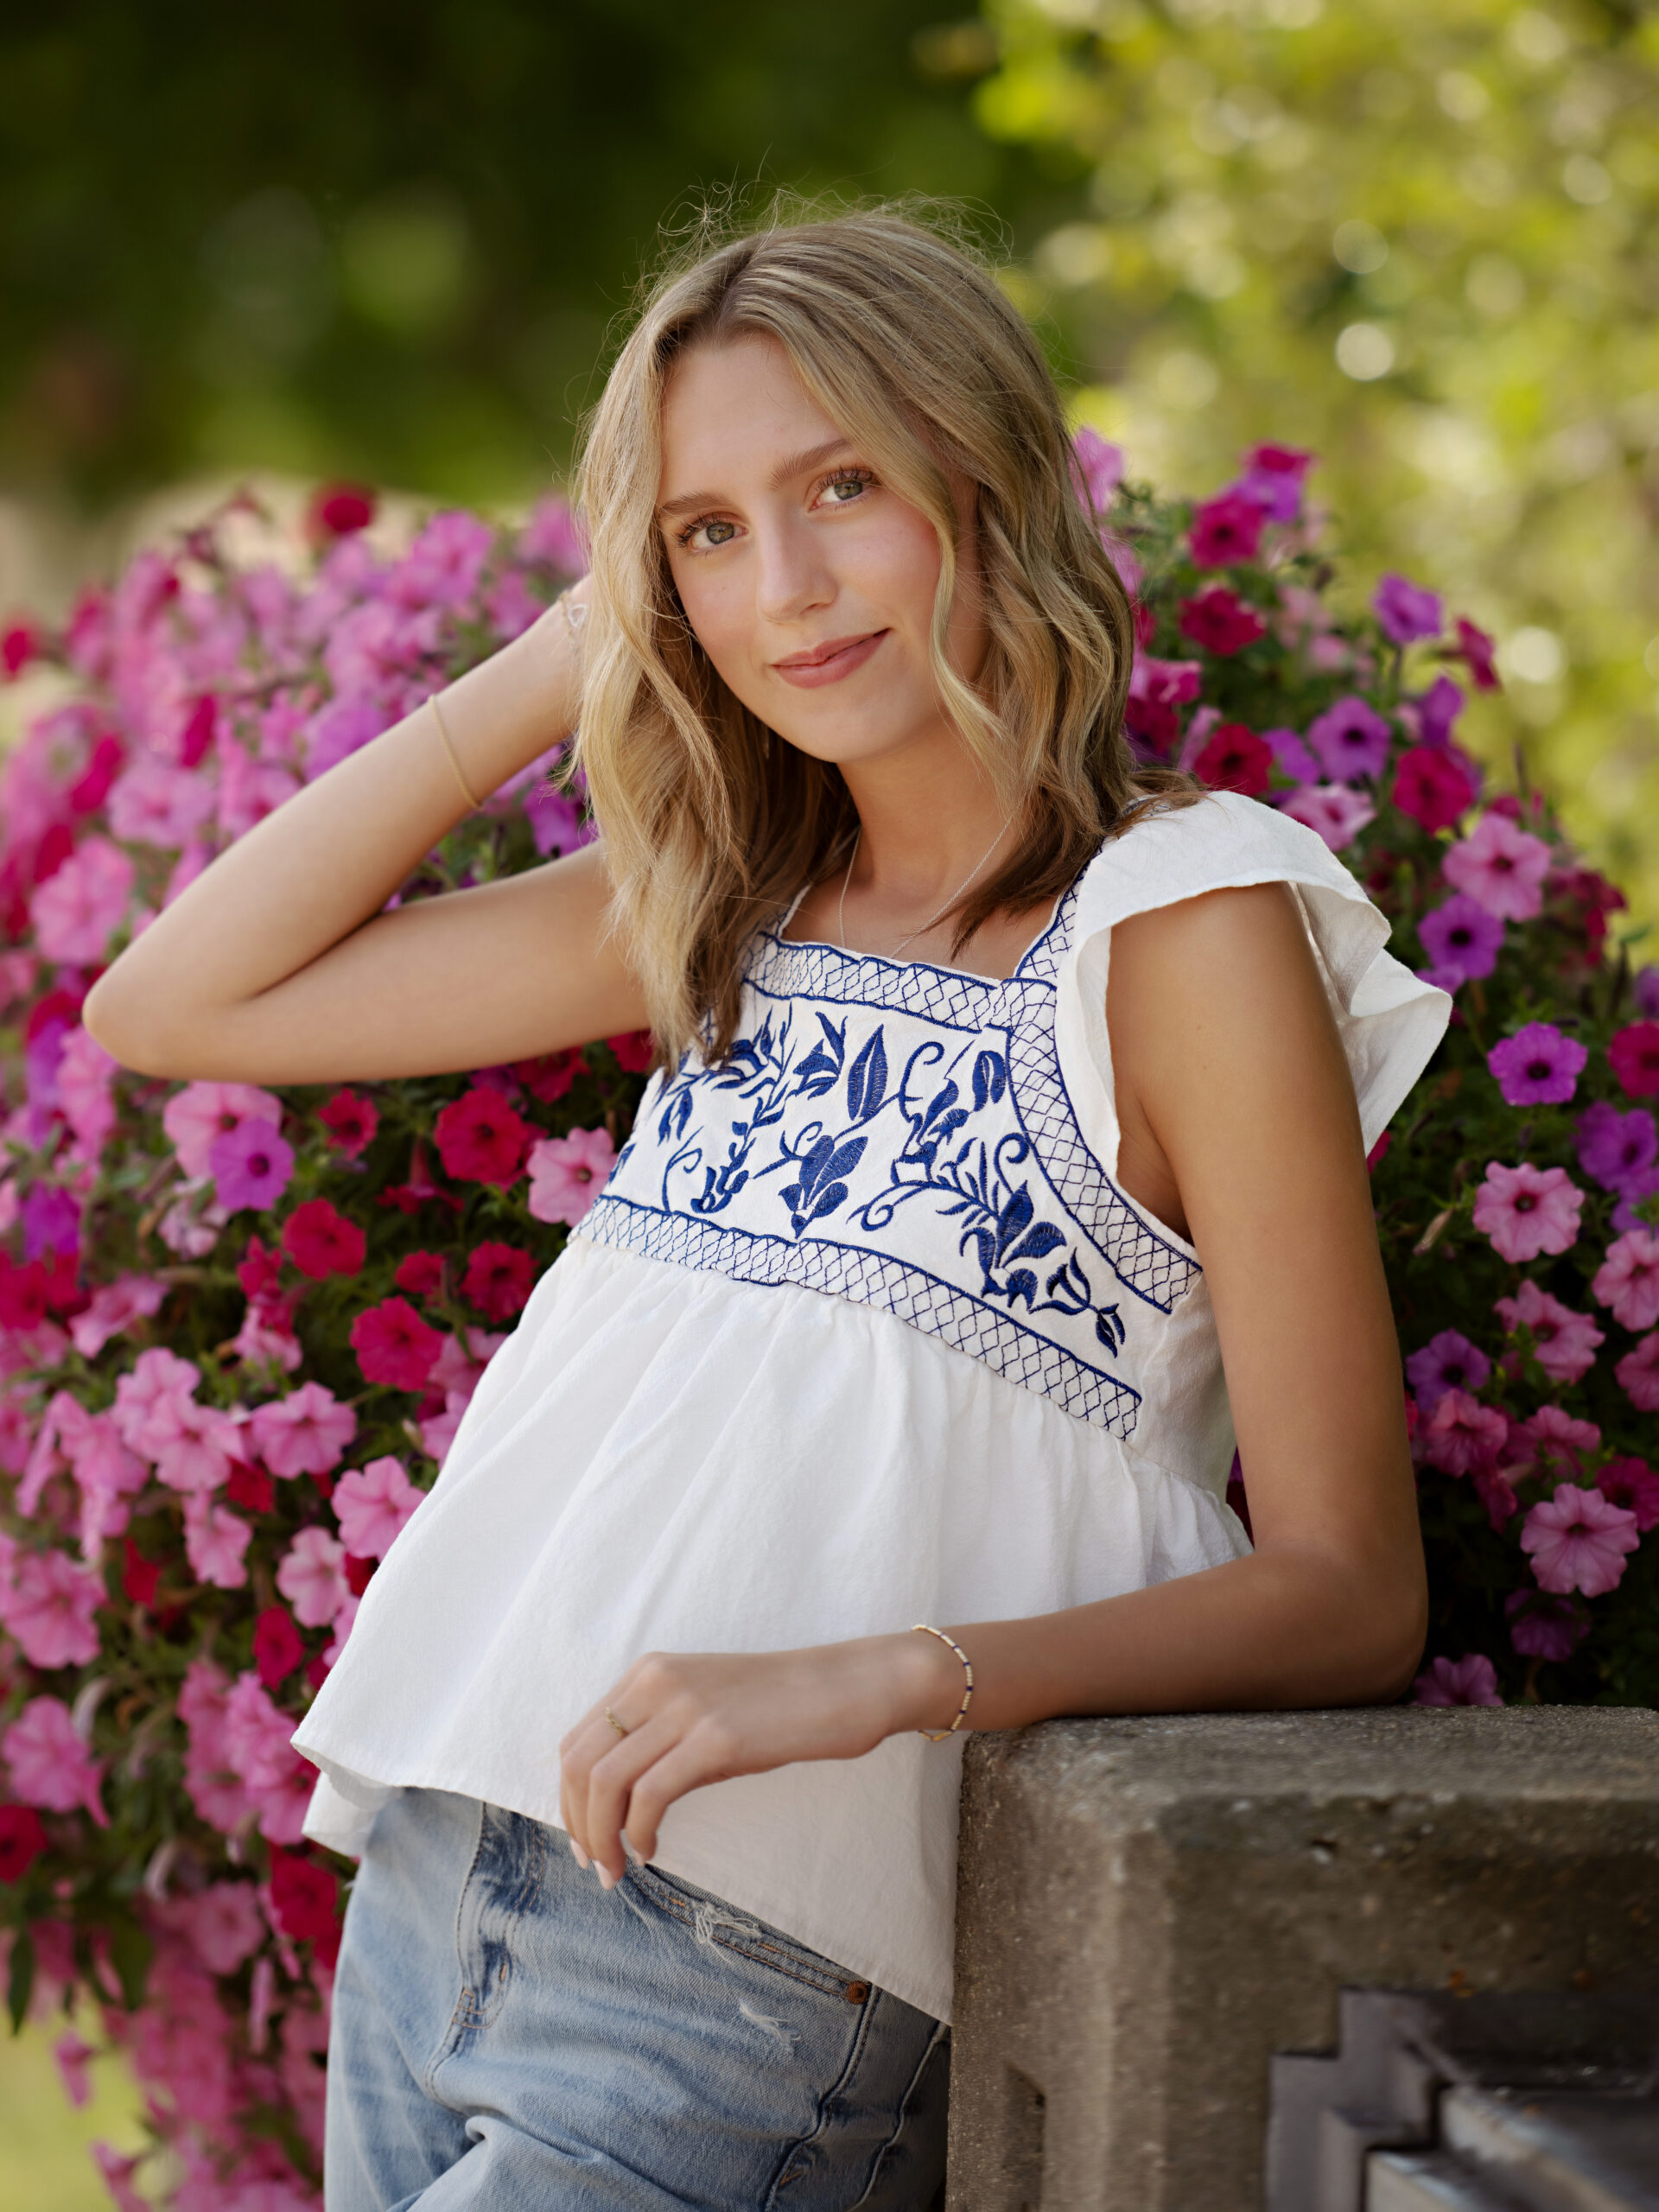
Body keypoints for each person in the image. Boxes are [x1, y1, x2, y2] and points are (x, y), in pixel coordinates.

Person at [86, 206, 1449, 2210]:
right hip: (437, 1896)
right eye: (709, 532)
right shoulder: (727, 907)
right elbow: (176, 999)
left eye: (841, 488)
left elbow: (1353, 1584)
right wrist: (568, 657)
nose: (785, 586)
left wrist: (885, 1673)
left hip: (753, 1986)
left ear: (981, 484)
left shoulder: (1185, 918)